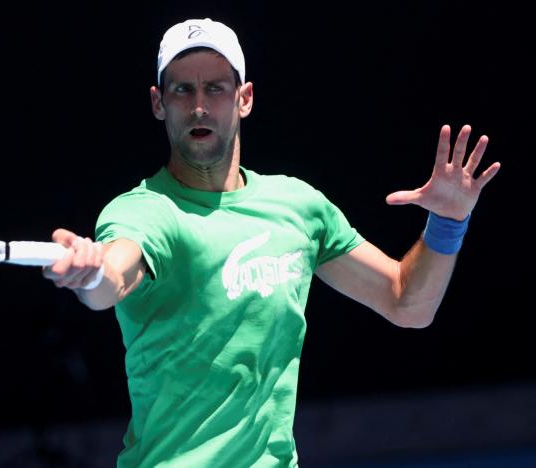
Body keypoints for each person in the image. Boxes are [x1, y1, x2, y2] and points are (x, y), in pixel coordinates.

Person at [42, 18, 500, 467]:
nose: (199, 105)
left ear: (245, 99)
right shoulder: (142, 212)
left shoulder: (298, 206)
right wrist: (91, 270)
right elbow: (111, 279)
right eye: (182, 89)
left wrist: (448, 220)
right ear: (158, 103)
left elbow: (408, 304)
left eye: (216, 88)